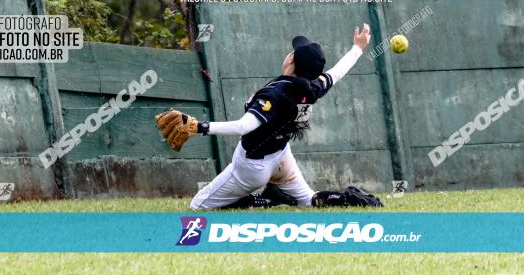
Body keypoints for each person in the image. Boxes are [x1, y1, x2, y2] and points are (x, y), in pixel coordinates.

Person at [154, 24, 382, 209]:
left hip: (252, 166)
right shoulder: (312, 88)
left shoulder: (276, 93)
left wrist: (199, 126)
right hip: (282, 156)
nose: (289, 52)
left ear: (291, 61)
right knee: (309, 200)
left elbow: (244, 126)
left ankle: (264, 200)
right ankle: (346, 199)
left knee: (197, 205)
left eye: (292, 51)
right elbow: (336, 73)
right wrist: (358, 48)